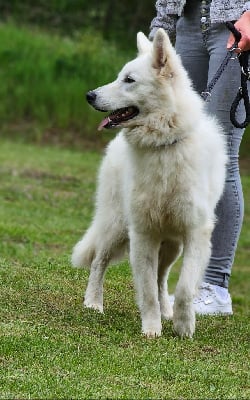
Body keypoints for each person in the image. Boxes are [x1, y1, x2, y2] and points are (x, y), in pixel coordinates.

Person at [149, 0, 250, 315]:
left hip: (236, 23)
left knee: (220, 155)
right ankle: (166, 281)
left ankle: (215, 286)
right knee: (183, 149)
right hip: (188, 22)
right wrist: (161, 28)